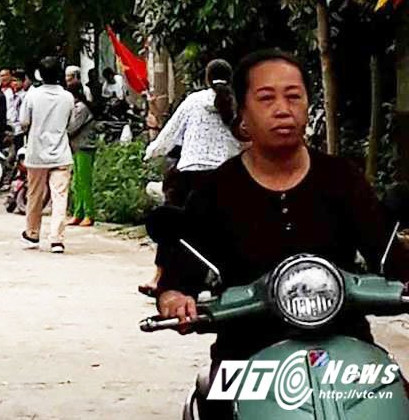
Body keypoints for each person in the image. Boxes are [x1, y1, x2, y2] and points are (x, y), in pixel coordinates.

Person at [155, 50, 409, 420]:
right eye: (266, 98)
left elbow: (385, 252)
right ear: (241, 113)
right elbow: (182, 271)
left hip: (348, 352)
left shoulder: (342, 178)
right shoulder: (215, 191)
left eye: (293, 96)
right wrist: (175, 297)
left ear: (308, 105)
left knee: (394, 398)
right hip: (245, 355)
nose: (282, 108)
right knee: (211, 402)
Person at [138, 59, 244, 297]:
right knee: (225, 230)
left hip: (189, 176)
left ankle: (159, 278)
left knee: (171, 226)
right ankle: (224, 283)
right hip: (225, 177)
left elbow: (169, 135)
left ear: (206, 78)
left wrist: (150, 152)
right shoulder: (239, 104)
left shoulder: (193, 101)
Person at [19, 56, 77, 254]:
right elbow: (70, 124)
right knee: (60, 197)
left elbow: (24, 122)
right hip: (61, 153)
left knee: (34, 194)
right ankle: (57, 239)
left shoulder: (32, 96)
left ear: (40, 75)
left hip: (36, 154)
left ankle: (32, 233)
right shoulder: (68, 97)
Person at [66, 83, 96, 228]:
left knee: (84, 182)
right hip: (76, 148)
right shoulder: (75, 108)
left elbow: (72, 128)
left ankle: (89, 214)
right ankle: (78, 213)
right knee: (76, 182)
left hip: (84, 147)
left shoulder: (81, 108)